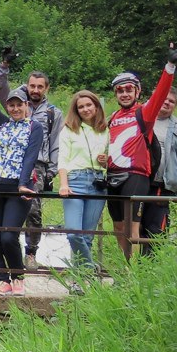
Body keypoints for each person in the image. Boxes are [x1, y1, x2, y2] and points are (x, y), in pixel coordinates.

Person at [105, 42, 177, 260]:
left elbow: (161, 93)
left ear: (137, 90)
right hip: (113, 175)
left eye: (129, 89)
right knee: (117, 227)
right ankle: (126, 270)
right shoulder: (113, 117)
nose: (124, 94)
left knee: (132, 229)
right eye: (120, 90)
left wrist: (170, 65)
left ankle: (132, 276)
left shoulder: (145, 112)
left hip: (136, 175)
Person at [0, 53, 44, 296]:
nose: (15, 108)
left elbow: (30, 156)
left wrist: (24, 183)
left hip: (18, 187)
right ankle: (1, 281)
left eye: (19, 104)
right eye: (11, 105)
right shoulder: (2, 124)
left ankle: (17, 277)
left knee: (8, 236)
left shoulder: (35, 128)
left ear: (27, 106)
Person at [0, 54, 63, 270]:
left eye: (40, 86)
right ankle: (8, 251)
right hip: (9, 165)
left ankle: (31, 252)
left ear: (46, 88)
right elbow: (0, 88)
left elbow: (56, 143)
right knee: (9, 209)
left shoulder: (53, 113)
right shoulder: (18, 104)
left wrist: (51, 172)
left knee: (33, 210)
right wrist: (3, 65)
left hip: (38, 167)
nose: (35, 90)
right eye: (32, 85)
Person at [140, 87, 177, 253]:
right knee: (131, 230)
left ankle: (150, 272)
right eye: (164, 98)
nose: (167, 102)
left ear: (175, 106)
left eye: (171, 101)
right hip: (137, 184)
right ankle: (130, 270)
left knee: (155, 233)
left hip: (161, 188)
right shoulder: (139, 119)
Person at [55, 90, 110, 273]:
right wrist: (64, 184)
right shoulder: (69, 130)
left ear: (96, 106)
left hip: (97, 182)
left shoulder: (105, 130)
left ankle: (81, 282)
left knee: (87, 237)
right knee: (73, 233)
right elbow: (62, 159)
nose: (85, 109)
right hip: (75, 181)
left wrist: (105, 160)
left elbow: (113, 158)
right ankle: (90, 270)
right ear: (76, 110)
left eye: (88, 105)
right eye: (81, 107)